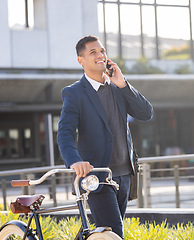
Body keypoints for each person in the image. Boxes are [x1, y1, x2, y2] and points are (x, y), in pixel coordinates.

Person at [57, 35, 153, 238]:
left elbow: (146, 113)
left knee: (104, 232)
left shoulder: (118, 88)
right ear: (81, 60)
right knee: (114, 234)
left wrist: (124, 84)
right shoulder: (74, 93)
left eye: (102, 51)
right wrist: (74, 161)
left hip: (125, 174)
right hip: (96, 176)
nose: (100, 55)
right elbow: (65, 133)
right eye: (93, 52)